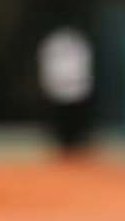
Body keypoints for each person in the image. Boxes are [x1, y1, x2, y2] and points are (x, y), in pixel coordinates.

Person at [37, 25, 95, 156]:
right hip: (60, 89)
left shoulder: (76, 42)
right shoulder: (55, 42)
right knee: (60, 124)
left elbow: (83, 64)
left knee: (75, 123)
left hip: (75, 88)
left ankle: (75, 147)